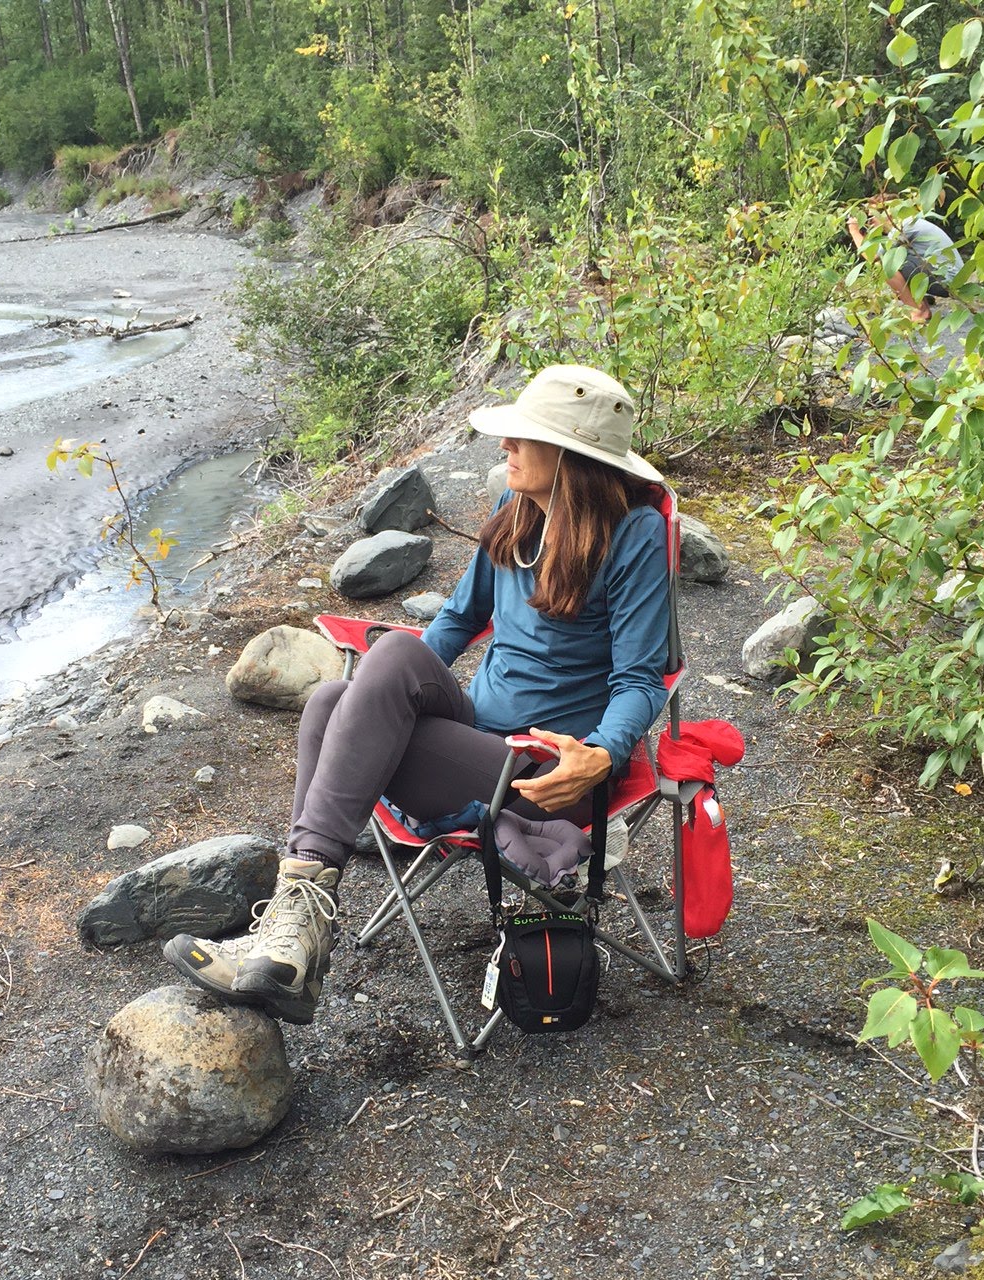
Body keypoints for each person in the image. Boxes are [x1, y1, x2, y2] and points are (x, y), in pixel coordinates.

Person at [164, 364, 671, 1024]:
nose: (505, 445)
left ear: (571, 455)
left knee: (353, 689)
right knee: (336, 699)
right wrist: (384, 697)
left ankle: (295, 936)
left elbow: (640, 680)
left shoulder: (634, 535)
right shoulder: (518, 511)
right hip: (475, 743)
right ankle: (295, 928)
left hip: (546, 774)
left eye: (523, 436)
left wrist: (600, 755)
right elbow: (458, 619)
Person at [846, 204, 963, 324]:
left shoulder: (904, 226)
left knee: (885, 266)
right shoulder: (909, 223)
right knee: (893, 259)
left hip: (948, 280)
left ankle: (918, 311)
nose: (869, 224)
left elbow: (871, 256)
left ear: (888, 214)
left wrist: (854, 231)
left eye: (871, 218)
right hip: (949, 276)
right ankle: (922, 307)